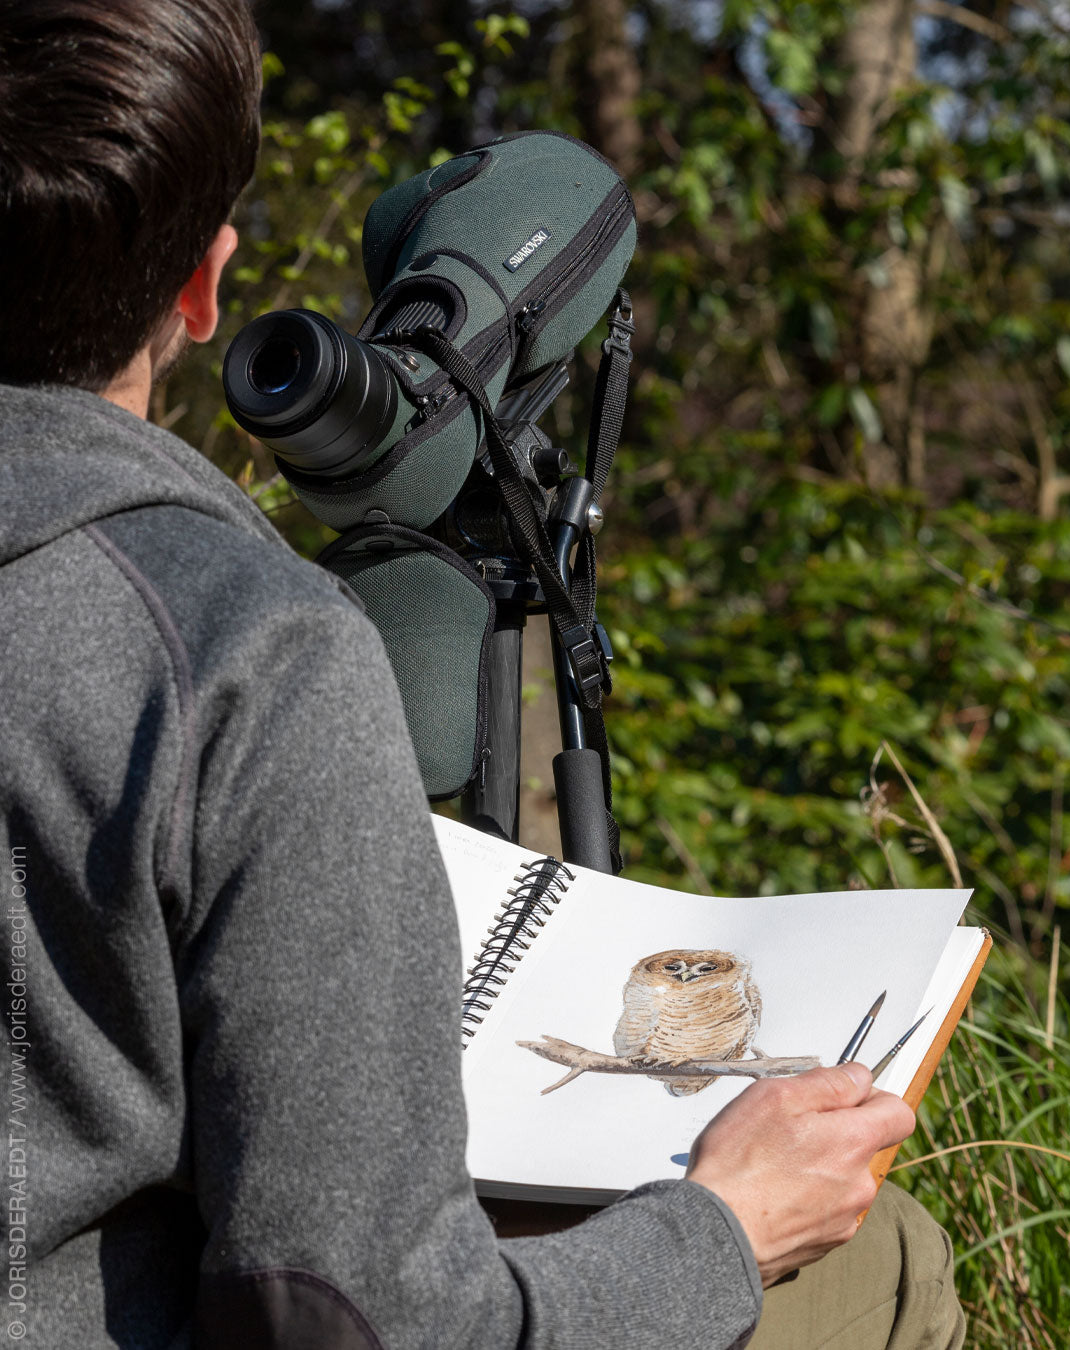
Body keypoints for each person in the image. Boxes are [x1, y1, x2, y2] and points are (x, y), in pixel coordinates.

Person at [0, 1, 965, 1346]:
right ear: (205, 282)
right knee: (891, 1260)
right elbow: (356, 1320)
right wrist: (725, 1227)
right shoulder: (247, 655)